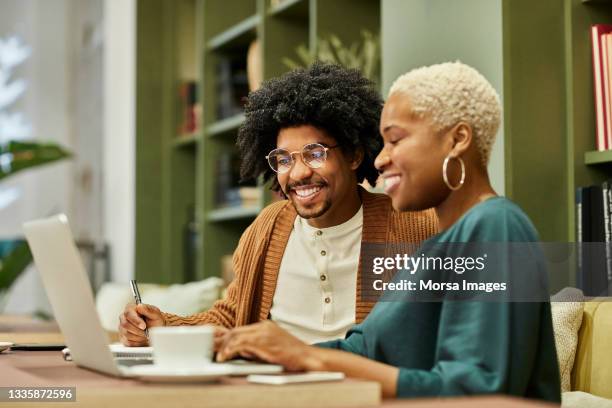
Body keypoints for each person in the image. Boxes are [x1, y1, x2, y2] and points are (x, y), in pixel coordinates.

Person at [215, 62, 561, 402]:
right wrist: (260, 349)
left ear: (457, 139)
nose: (380, 159)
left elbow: (478, 393)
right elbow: (362, 350)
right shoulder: (436, 249)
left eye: (395, 140)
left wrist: (310, 358)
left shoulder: (496, 226)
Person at [118, 63, 438, 347]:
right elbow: (232, 316)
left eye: (315, 154)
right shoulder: (268, 227)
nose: (297, 173)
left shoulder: (412, 225)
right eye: (283, 159)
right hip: (272, 387)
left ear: (354, 156)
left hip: (362, 388)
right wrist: (164, 327)